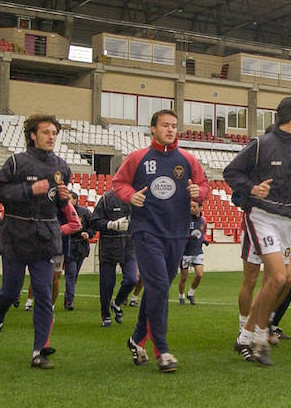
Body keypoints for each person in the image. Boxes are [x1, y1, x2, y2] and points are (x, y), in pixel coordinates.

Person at [223, 96, 291, 367]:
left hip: (289, 219)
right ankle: (258, 338)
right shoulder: (261, 144)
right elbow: (231, 172)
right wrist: (251, 188)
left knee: (286, 279)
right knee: (277, 277)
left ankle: (245, 336)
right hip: (262, 216)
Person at [111, 109, 211, 373]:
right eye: (165, 125)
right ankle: (162, 350)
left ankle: (136, 339)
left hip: (177, 233)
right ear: (152, 129)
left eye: (174, 126)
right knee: (156, 286)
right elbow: (118, 183)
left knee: (158, 289)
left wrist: (197, 192)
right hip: (146, 230)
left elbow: (204, 187)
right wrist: (130, 195)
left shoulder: (188, 159)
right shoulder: (138, 158)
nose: (170, 130)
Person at [0, 114, 82, 370]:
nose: (51, 137)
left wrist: (62, 199)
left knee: (43, 291)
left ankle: (39, 351)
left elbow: (57, 203)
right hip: (16, 234)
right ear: (32, 135)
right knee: (11, 290)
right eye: (46, 132)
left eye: (54, 133)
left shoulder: (62, 166)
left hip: (45, 237)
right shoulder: (16, 163)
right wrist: (28, 190)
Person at [90, 188, 137, 326]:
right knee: (107, 284)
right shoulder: (106, 199)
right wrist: (111, 225)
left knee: (132, 279)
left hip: (129, 245)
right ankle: (105, 314)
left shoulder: (136, 197)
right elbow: (94, 222)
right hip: (109, 246)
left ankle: (117, 303)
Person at [60, 197, 92, 312]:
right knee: (71, 274)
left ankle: (68, 296)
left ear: (75, 199)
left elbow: (92, 227)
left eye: (70, 199)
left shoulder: (85, 212)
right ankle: (70, 300)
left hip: (81, 247)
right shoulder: (63, 211)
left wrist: (88, 233)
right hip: (70, 246)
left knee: (75, 275)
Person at [176, 200, 207, 305]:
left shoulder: (203, 221)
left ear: (200, 207)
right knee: (184, 277)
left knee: (199, 274)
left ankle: (190, 293)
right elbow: (179, 233)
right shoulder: (185, 219)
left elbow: (203, 233)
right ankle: (181, 296)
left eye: (194, 207)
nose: (192, 209)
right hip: (185, 252)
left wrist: (205, 239)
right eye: (191, 207)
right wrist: (188, 237)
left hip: (197, 252)